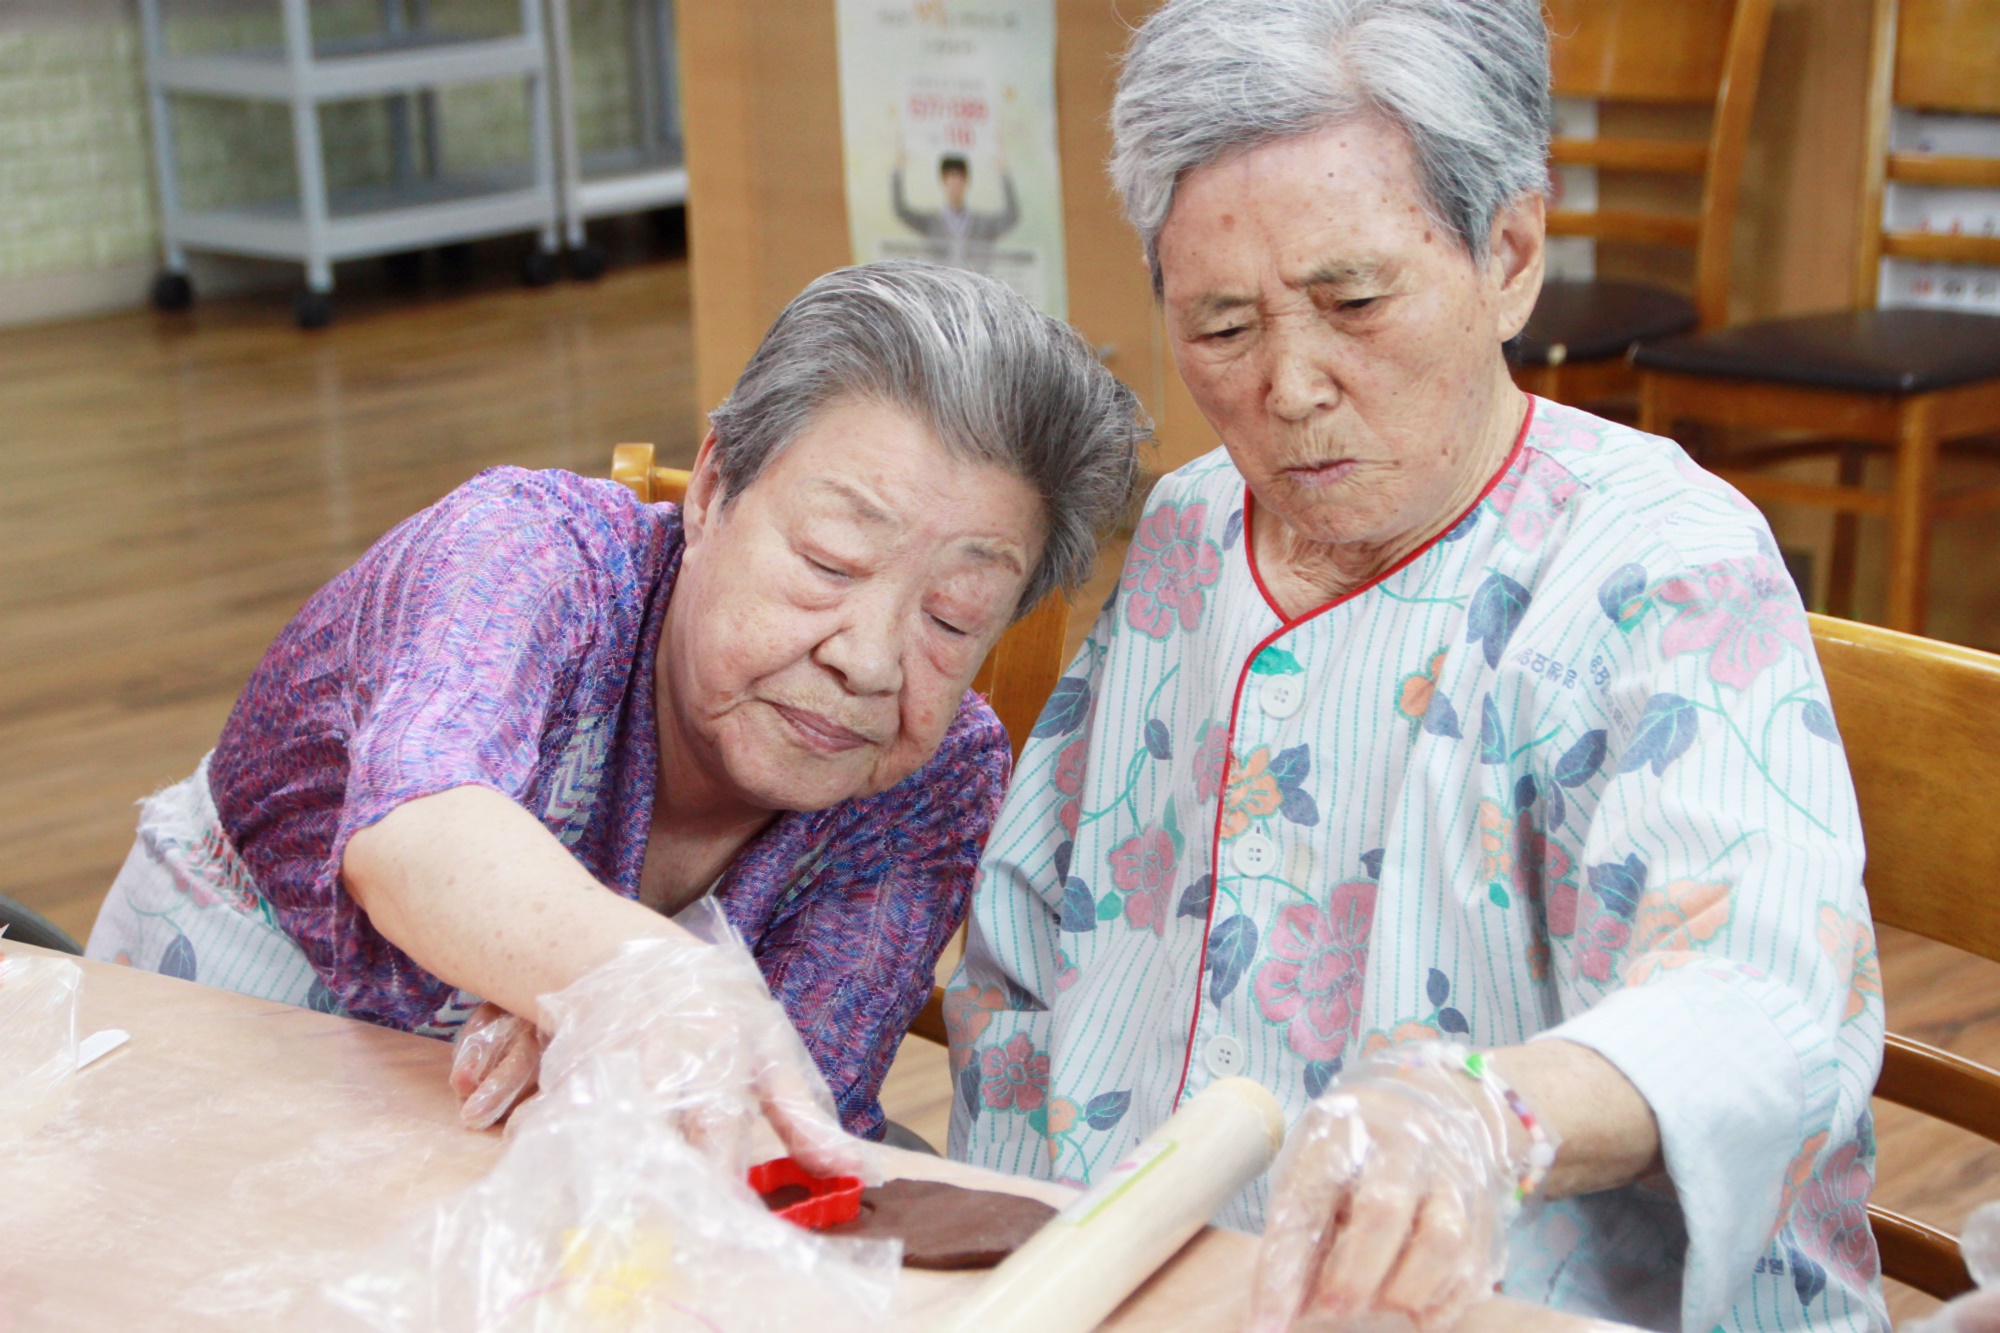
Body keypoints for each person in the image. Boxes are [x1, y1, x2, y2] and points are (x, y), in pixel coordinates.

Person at [943, 2, 1885, 1331]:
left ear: (1509, 255)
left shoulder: (1660, 570)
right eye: (1221, 326)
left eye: (1352, 301)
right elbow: (1031, 942)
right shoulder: (1193, 527)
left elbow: (1751, 999)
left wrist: (1487, 1113)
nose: (1290, 385)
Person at [86, 261, 1143, 1150]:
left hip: (552, 1195)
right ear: (714, 489)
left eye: (953, 618)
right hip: (210, 1074)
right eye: (830, 561)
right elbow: (416, 828)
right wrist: (635, 983)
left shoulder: (933, 774)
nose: (868, 661)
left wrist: (592, 1016)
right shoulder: (527, 555)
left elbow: (785, 1102)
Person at [892, 151, 1021, 273]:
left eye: (959, 179)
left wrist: (1004, 173)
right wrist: (898, 171)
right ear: (943, 182)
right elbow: (902, 212)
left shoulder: (982, 225)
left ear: (966, 182)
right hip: (941, 286)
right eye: (950, 179)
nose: (954, 185)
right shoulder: (930, 223)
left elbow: (1011, 216)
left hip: (975, 286)